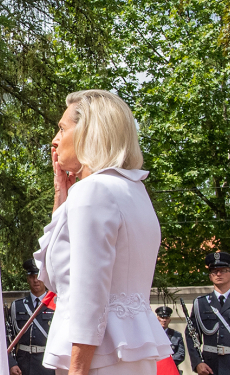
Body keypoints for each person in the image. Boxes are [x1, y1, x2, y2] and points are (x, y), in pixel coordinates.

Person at [34, 90, 172, 375]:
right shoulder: (134, 189)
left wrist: (77, 370)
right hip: (130, 354)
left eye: (62, 128)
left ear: (88, 132)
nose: (54, 140)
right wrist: (62, 195)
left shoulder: (93, 190)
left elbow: (89, 295)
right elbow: (52, 273)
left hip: (98, 359)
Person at [184, 251, 230, 375]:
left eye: (223, 270)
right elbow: (192, 336)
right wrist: (197, 362)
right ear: (210, 276)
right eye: (214, 271)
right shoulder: (200, 303)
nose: (218, 274)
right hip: (210, 367)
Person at [8, 259, 56, 375]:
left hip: (48, 364)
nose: (36, 281)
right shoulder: (17, 306)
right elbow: (7, 337)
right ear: (27, 278)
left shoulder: (56, 304)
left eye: (39, 276)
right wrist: (11, 363)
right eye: (32, 276)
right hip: (23, 365)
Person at [155, 306, 186, 371]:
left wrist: (167, 361)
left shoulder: (177, 335)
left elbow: (181, 354)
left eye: (166, 318)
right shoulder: (151, 335)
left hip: (171, 368)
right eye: (162, 318)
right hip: (155, 369)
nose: (164, 320)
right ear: (157, 319)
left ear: (170, 320)